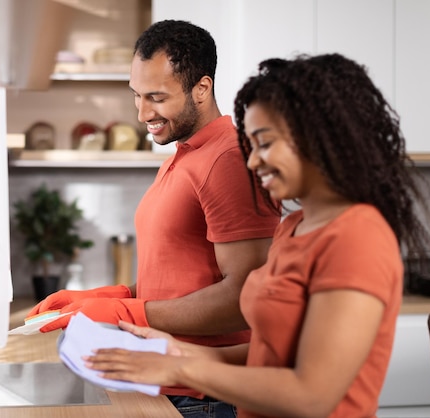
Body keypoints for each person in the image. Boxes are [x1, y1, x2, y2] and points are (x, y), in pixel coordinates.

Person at [84, 53, 430, 418]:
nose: (251, 162)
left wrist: (182, 370)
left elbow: (313, 395)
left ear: (320, 137)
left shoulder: (357, 239)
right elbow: (272, 351)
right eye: (250, 145)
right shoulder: (292, 228)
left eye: (264, 144)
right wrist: (181, 352)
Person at [26, 19, 281, 416]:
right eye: (137, 95)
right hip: (170, 381)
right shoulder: (183, 155)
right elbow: (176, 276)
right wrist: (112, 296)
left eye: (157, 97)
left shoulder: (228, 160)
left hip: (209, 396)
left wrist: (124, 312)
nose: (143, 112)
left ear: (202, 88)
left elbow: (247, 296)